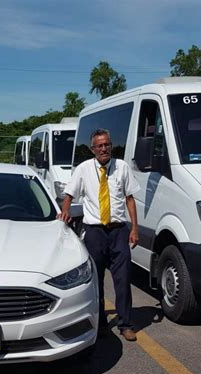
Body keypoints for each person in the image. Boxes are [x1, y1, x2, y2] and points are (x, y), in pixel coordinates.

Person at [58, 129, 140, 341]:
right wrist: (65, 211)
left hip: (118, 231)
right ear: (93, 149)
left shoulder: (122, 167)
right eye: (99, 146)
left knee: (123, 279)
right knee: (96, 279)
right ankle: (100, 324)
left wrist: (134, 229)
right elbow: (69, 194)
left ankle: (125, 324)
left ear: (111, 146)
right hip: (94, 232)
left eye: (107, 145)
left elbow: (130, 199)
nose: (104, 149)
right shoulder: (84, 169)